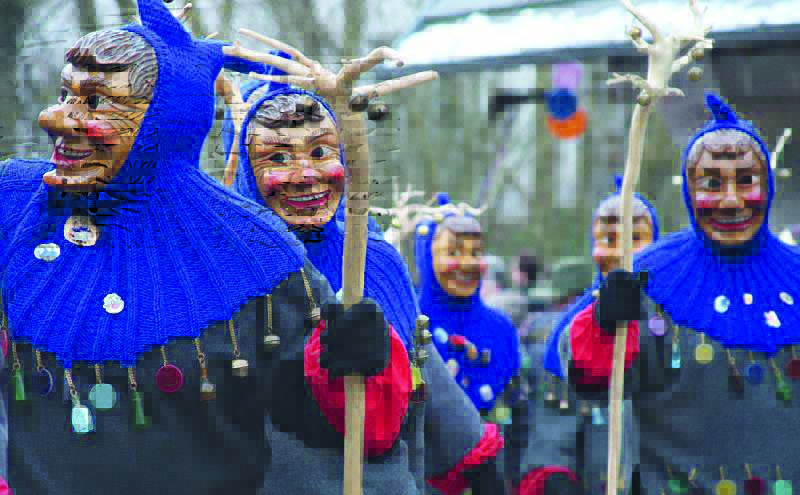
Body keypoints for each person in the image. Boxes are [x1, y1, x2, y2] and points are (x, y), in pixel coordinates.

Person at [1, 1, 409, 493]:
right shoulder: (16, 205)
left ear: (164, 120)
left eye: (96, 101)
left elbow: (338, 427)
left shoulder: (254, 247)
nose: (54, 118)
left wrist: (355, 361)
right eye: (66, 95)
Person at [221, 47, 506, 494]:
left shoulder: (375, 258)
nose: (305, 174)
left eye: (320, 151)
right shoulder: (229, 270)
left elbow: (419, 359)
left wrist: (473, 455)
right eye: (277, 158)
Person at [564, 93, 800, 494]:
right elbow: (592, 384)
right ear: (689, 191)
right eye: (712, 184)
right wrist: (603, 323)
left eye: (746, 181)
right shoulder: (646, 276)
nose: (731, 201)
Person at [517, 179, 659, 495]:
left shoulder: (676, 320)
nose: (621, 253)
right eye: (609, 240)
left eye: (634, 239)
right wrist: (555, 473)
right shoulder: (571, 329)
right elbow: (554, 430)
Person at [413, 198, 526, 489]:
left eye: (475, 252)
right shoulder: (408, 321)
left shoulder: (501, 329)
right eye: (453, 252)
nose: (467, 263)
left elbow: (518, 410)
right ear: (427, 257)